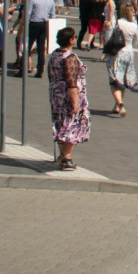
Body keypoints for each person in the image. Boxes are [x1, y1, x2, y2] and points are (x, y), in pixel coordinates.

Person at [47, 27, 90, 171]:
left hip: (56, 94)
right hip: (68, 95)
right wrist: (75, 101)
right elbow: (72, 82)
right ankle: (67, 157)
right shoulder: (69, 57)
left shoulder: (55, 54)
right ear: (71, 39)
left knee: (61, 123)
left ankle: (62, 154)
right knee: (73, 124)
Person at [104, 4, 138, 116]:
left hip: (117, 52)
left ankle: (119, 103)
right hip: (129, 52)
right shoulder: (134, 25)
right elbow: (135, 43)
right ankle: (116, 105)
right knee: (122, 80)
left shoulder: (118, 22)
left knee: (114, 80)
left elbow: (110, 36)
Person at [26, 0, 57, 77]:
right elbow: (53, 15)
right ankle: (40, 70)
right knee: (41, 47)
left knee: (29, 45)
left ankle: (23, 67)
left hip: (34, 22)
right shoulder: (50, 0)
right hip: (44, 23)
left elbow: (29, 12)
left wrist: (26, 22)